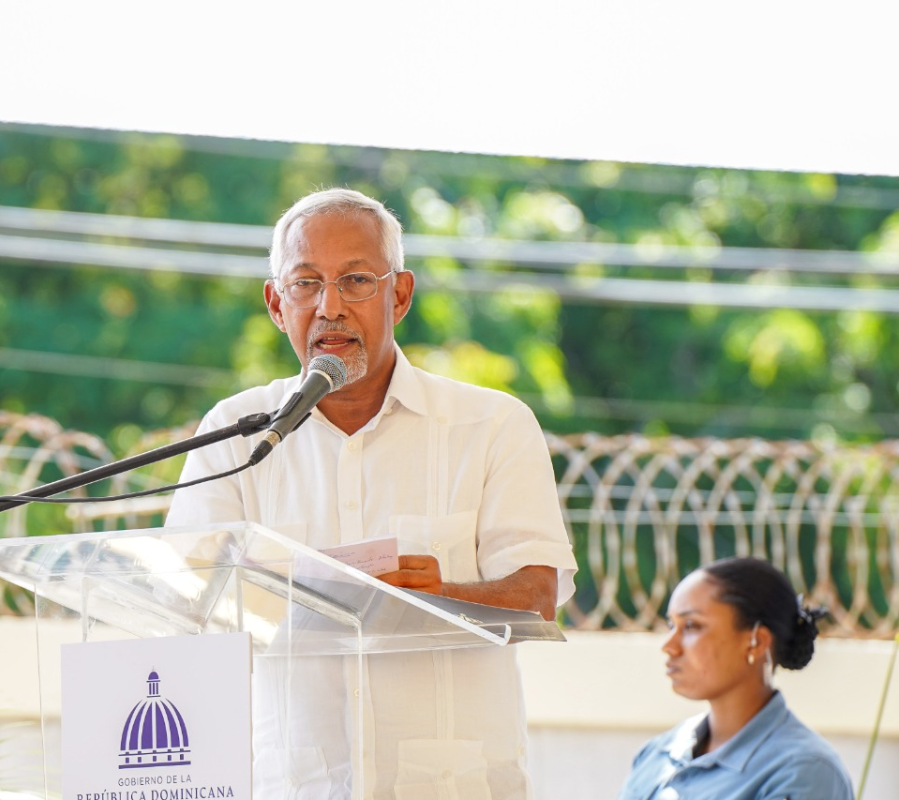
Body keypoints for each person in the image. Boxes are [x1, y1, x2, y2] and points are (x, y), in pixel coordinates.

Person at [166, 188, 578, 799]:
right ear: (277, 304)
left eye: (356, 280)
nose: (329, 307)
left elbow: (538, 593)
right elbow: (186, 604)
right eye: (305, 283)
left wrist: (444, 595)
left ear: (400, 294)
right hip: (294, 783)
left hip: (451, 785)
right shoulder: (235, 434)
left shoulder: (491, 426)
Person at [618, 557, 854, 799]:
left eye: (691, 626)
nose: (669, 646)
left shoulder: (802, 773)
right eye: (671, 625)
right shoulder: (658, 754)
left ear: (756, 642)